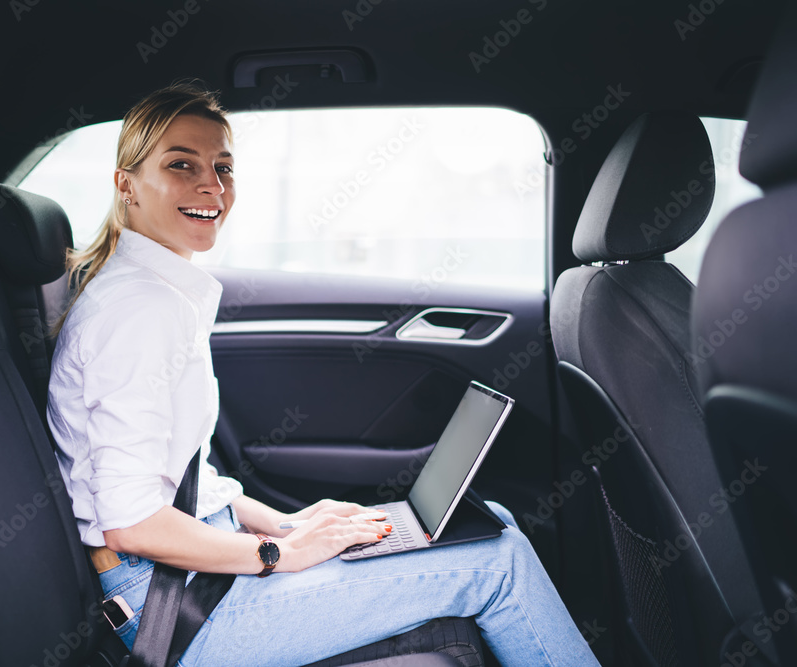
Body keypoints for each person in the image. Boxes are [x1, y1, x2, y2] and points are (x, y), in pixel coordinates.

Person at [45, 81, 600, 667]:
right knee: (499, 563)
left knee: (488, 526)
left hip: (193, 570)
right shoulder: (137, 311)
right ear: (126, 184)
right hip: (172, 608)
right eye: (181, 164)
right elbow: (131, 524)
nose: (211, 185)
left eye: (224, 167)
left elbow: (186, 481)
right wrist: (277, 553)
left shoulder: (159, 294)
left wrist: (286, 523)